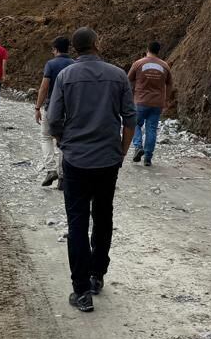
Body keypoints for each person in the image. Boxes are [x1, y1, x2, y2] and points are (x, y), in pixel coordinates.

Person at [47, 27, 136, 314]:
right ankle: (97, 275)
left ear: (75, 48)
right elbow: (130, 118)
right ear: (97, 43)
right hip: (107, 160)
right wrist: (121, 150)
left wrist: (65, 143)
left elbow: (53, 119)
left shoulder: (65, 76)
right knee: (103, 216)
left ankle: (81, 290)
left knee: (77, 222)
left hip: (76, 160)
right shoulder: (118, 75)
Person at [127, 41, 175, 167]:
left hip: (140, 101)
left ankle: (138, 146)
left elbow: (128, 80)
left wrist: (130, 94)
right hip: (157, 103)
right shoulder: (165, 66)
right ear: (159, 51)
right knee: (151, 129)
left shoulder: (138, 63)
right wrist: (166, 98)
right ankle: (148, 157)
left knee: (135, 124)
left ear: (147, 49)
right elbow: (170, 83)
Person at [34, 35, 73, 187]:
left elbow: (44, 87)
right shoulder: (74, 64)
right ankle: (63, 176)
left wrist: (37, 107)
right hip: (70, 109)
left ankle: (50, 170)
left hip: (52, 106)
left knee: (45, 137)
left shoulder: (51, 64)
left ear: (56, 49)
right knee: (63, 140)